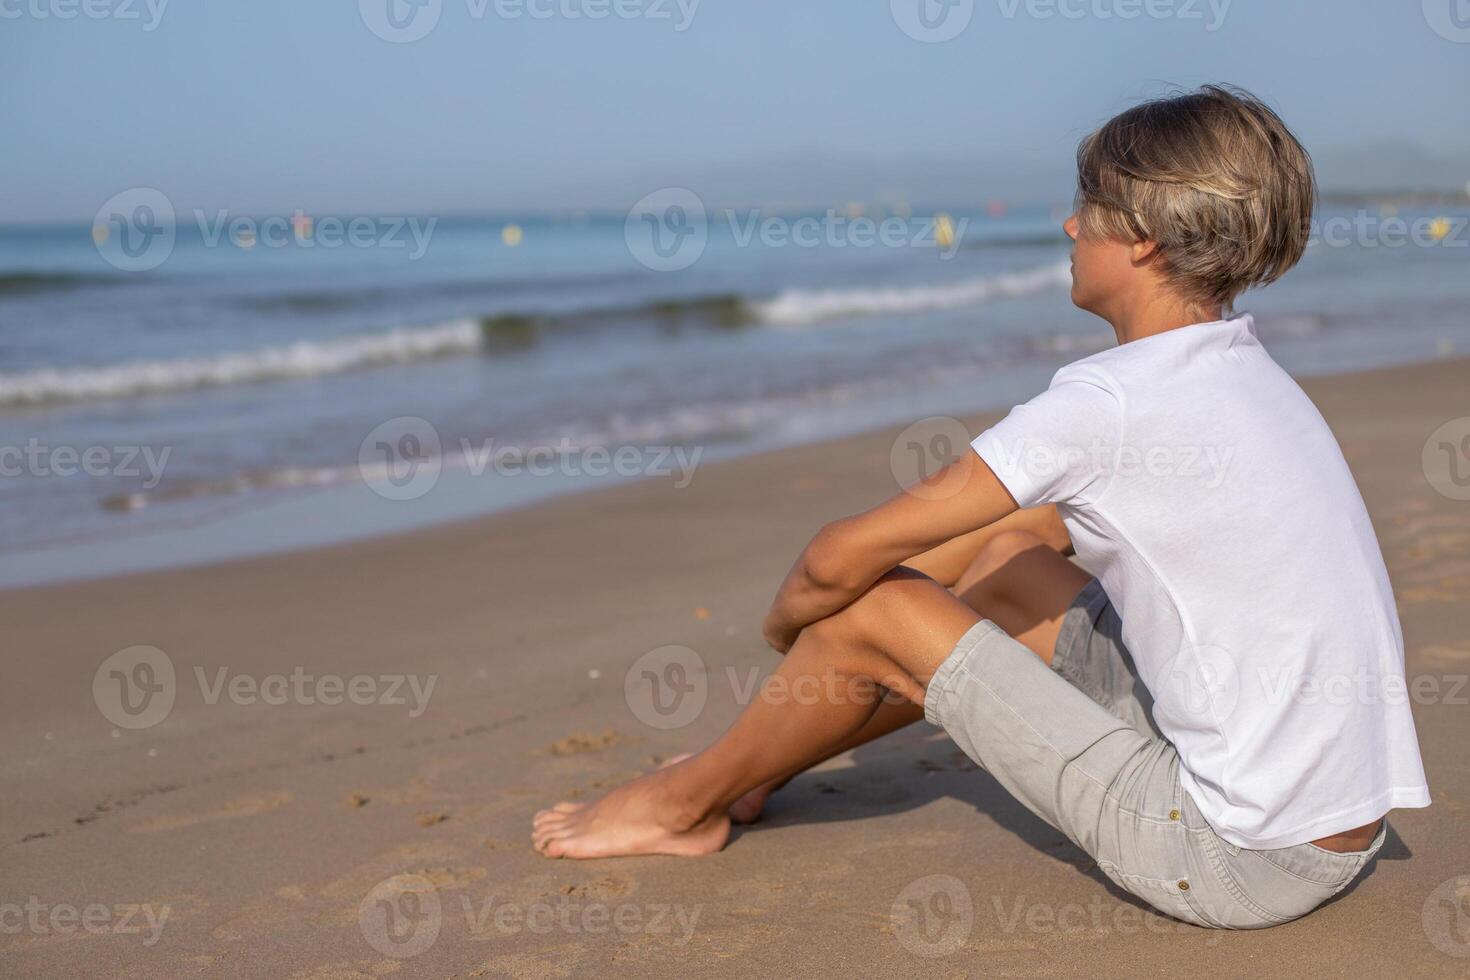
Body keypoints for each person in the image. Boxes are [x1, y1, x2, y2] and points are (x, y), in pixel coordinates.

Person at [531, 85, 1430, 929]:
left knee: (877, 607)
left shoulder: (1108, 402)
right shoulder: (1239, 368)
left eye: (1090, 204)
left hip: (1236, 858)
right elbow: (1012, 533)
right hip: (1340, 822)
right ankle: (751, 763)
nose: (1069, 223)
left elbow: (833, 559)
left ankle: (682, 807)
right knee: (1005, 558)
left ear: (1146, 239)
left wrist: (798, 637)